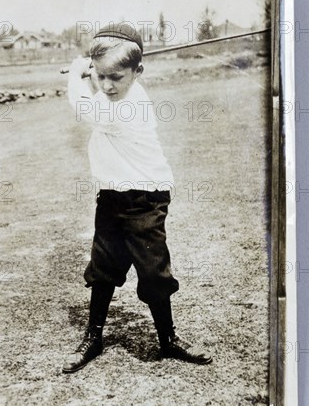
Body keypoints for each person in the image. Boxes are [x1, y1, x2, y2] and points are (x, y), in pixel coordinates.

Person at [63, 22, 212, 373]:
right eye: (102, 76)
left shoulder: (132, 105)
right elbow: (96, 96)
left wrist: (75, 73)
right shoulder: (113, 95)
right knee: (103, 269)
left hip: (145, 198)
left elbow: (85, 108)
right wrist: (91, 75)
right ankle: (94, 336)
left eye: (117, 76)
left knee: (154, 273)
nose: (108, 85)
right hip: (112, 197)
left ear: (138, 72)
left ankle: (168, 340)